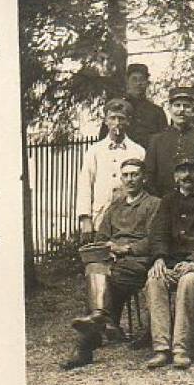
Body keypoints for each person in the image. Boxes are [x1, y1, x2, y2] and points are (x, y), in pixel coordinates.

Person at [63, 158, 160, 369]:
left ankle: (88, 341)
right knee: (95, 269)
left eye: (134, 174)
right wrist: (108, 250)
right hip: (112, 262)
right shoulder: (114, 207)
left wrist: (125, 249)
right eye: (125, 175)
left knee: (102, 280)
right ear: (121, 178)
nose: (130, 179)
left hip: (139, 262)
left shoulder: (154, 204)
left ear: (143, 177)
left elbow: (155, 240)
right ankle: (101, 320)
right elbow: (101, 238)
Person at [144, 156, 194, 369]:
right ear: (175, 176)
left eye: (192, 170)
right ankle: (161, 348)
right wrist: (160, 258)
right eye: (182, 171)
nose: (187, 176)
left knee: (188, 282)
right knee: (154, 280)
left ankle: (181, 348)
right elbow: (158, 233)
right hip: (172, 262)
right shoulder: (168, 201)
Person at [76, 98, 145, 236]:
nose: (117, 123)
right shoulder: (95, 151)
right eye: (112, 118)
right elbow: (85, 185)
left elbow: (142, 186)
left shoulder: (138, 151)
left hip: (128, 218)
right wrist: (85, 218)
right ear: (106, 121)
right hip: (100, 217)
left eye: (121, 118)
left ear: (128, 121)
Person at [144, 86, 194, 197]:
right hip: (163, 203)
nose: (181, 110)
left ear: (193, 110)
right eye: (177, 105)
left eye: (186, 106)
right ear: (169, 109)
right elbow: (149, 178)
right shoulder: (156, 141)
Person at [123, 63, 168, 149]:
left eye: (142, 79)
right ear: (127, 82)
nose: (138, 83)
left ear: (147, 82)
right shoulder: (119, 109)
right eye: (134, 79)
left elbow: (164, 143)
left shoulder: (157, 112)